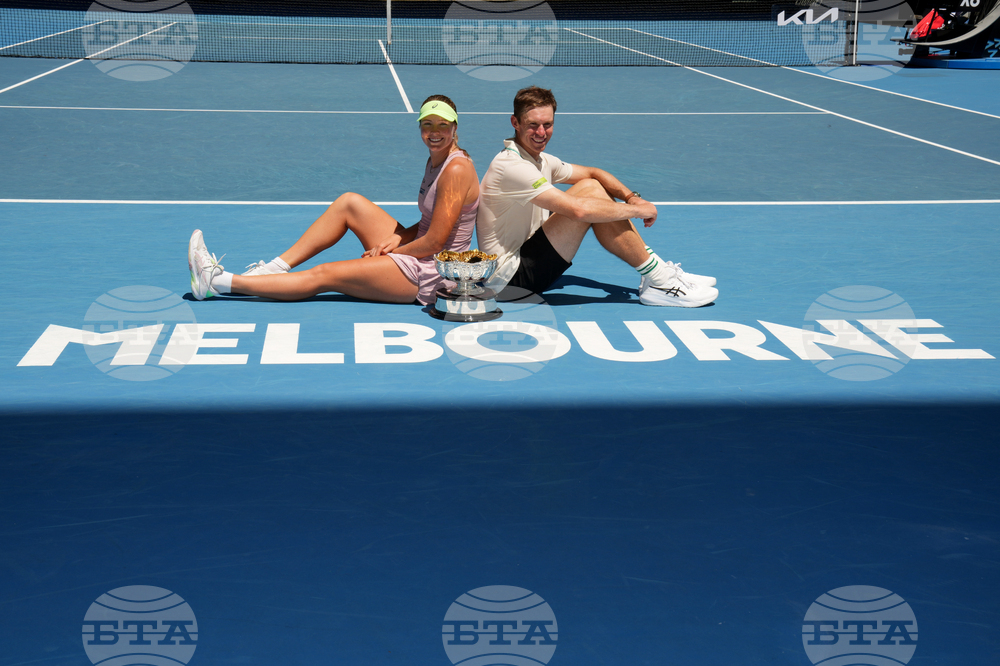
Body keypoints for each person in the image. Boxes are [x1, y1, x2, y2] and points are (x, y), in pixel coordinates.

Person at [187, 95, 479, 306]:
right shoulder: (436, 161)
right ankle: (273, 269)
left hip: (432, 272)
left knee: (325, 275)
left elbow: (436, 241)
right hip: (423, 251)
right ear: (419, 127)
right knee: (349, 202)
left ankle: (217, 283)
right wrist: (398, 238)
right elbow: (432, 223)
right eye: (427, 124)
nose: (434, 132)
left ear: (455, 128)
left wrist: (395, 253)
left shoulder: (455, 168)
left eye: (443, 125)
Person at [476, 86, 717, 307]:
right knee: (588, 197)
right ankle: (660, 280)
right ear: (515, 123)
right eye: (533, 125)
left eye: (547, 124)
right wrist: (638, 210)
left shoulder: (540, 160)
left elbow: (594, 173)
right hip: (509, 282)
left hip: (526, 259)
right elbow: (579, 211)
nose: (541, 132)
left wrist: (631, 197)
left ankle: (657, 272)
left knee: (590, 185)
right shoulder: (511, 166)